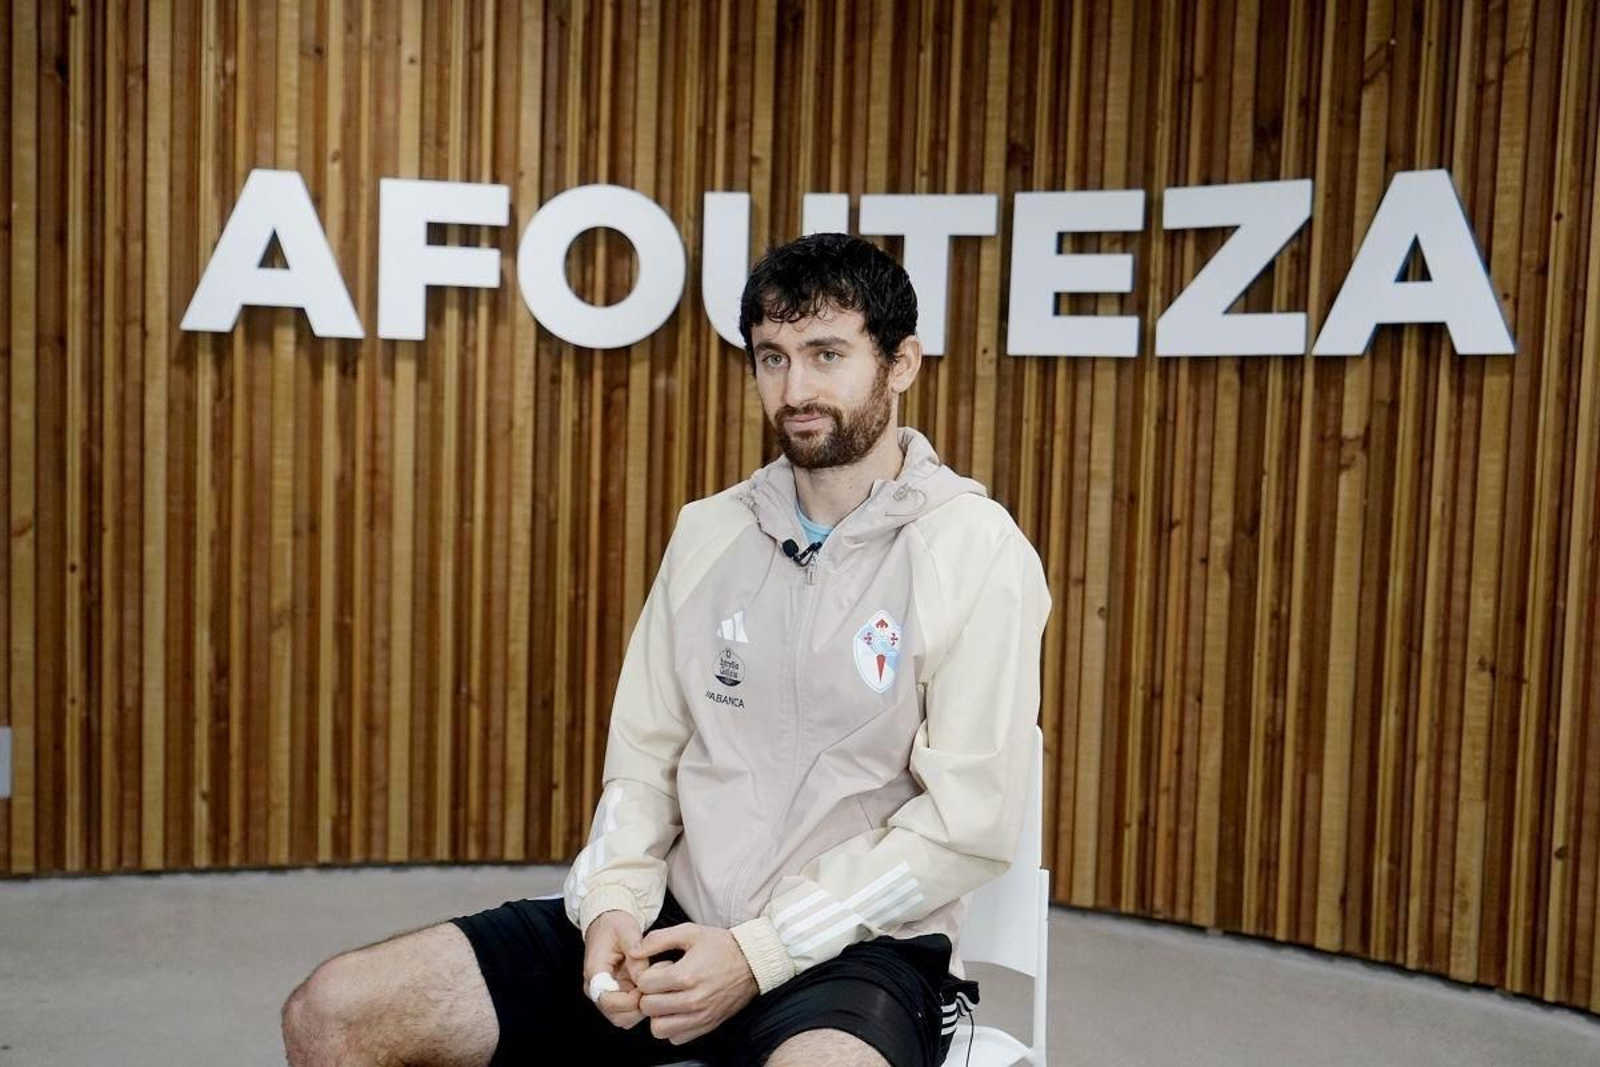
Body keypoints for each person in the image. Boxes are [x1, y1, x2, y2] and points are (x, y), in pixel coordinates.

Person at [281, 233, 1051, 1067]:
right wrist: (612, 901)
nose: (795, 389)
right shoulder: (708, 531)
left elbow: (965, 827)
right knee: (335, 1012)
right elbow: (644, 759)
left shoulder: (975, 550)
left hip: (854, 949)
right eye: (772, 357)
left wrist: (761, 951)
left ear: (901, 363)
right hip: (677, 918)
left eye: (826, 354)